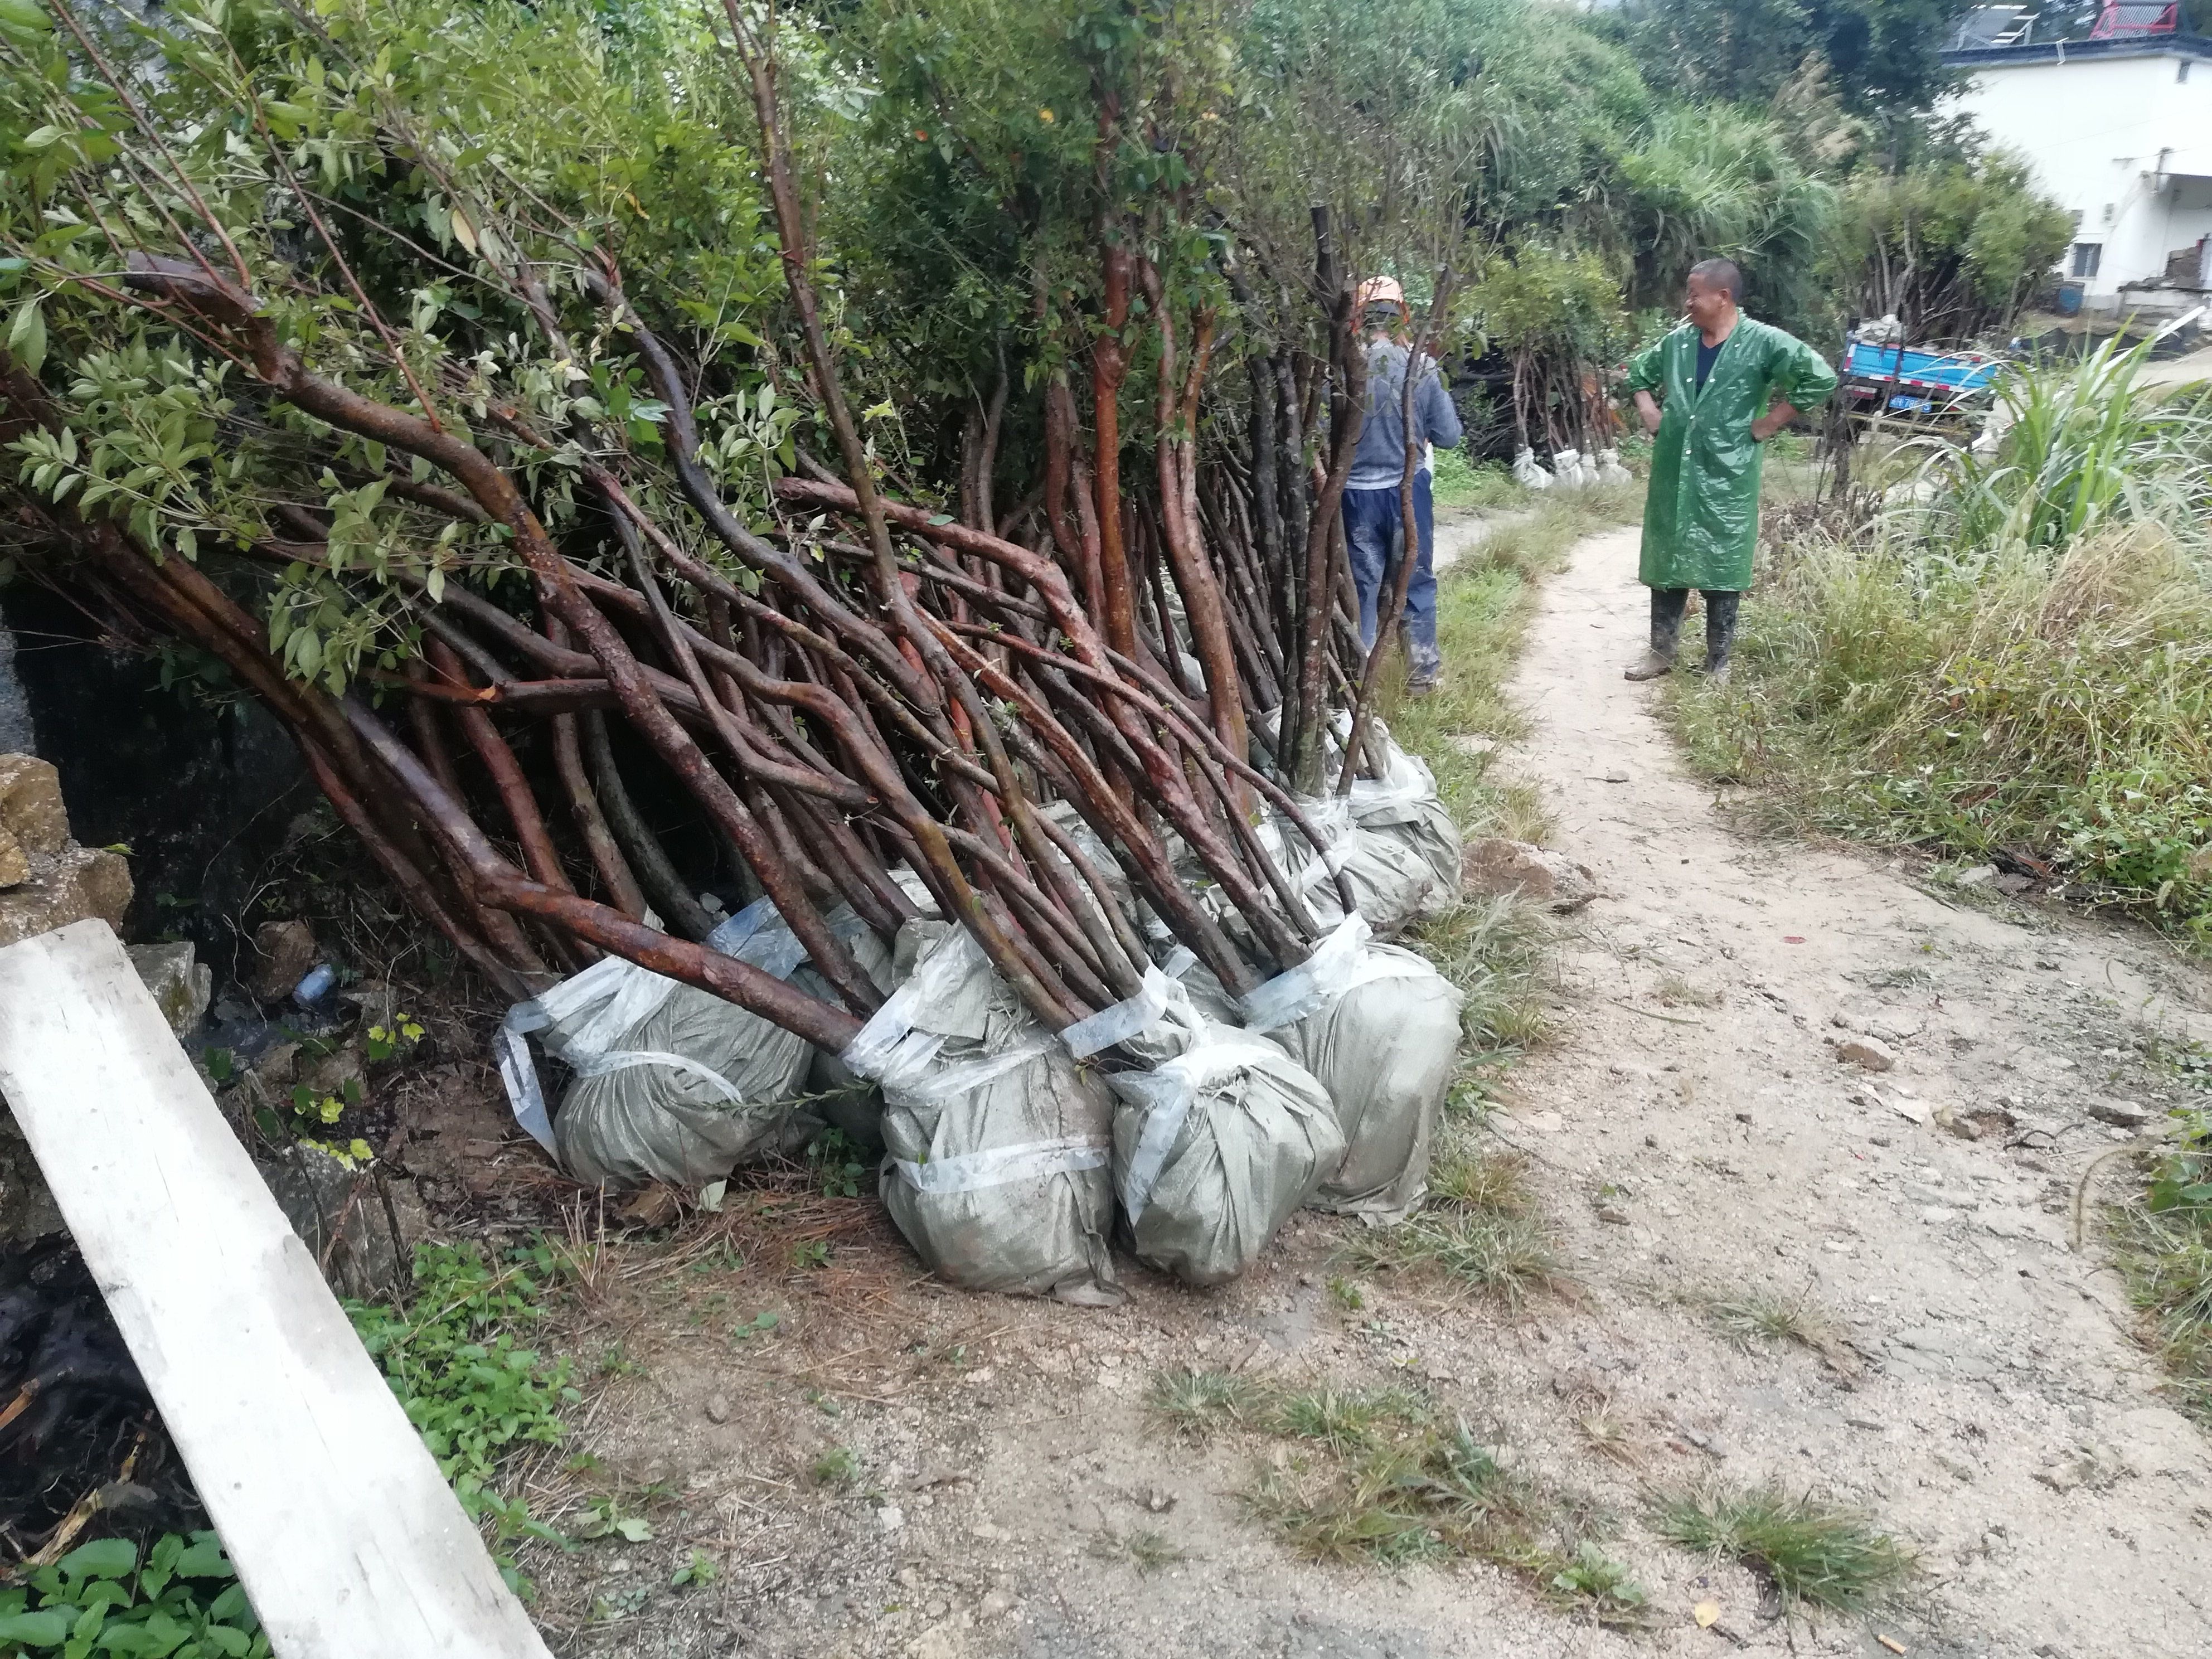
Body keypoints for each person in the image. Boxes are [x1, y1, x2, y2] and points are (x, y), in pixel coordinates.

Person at [1621, 258, 1837, 684]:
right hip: (1673, 465)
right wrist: (1648, 408)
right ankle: (1660, 653)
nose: (1688, 303)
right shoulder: (1678, 343)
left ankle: (1718, 663)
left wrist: (1771, 422)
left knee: (1723, 560)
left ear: (1723, 297)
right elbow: (1638, 372)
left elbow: (1820, 377)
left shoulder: (1764, 342)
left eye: (1694, 294)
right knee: (1667, 553)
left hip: (1729, 469)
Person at [1341, 277, 1463, 696]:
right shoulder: (1422, 368)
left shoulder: (1340, 371)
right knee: (1417, 581)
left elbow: (1320, 439)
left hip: (1354, 498)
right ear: (1403, 317)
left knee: (1362, 586)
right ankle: (1421, 677)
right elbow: (1448, 436)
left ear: (1356, 317)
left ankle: (1364, 684)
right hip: (1408, 495)